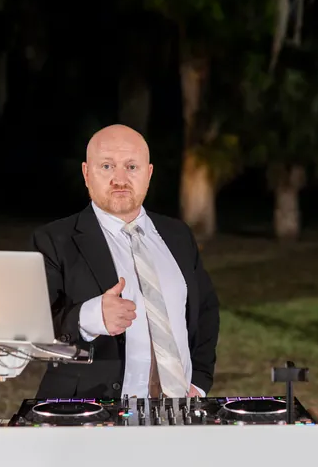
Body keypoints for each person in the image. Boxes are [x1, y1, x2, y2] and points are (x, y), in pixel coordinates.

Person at [29, 124, 220, 400]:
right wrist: (90, 317)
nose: (120, 179)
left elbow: (205, 310)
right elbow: (33, 327)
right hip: (88, 411)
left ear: (149, 173)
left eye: (132, 167)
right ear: (86, 173)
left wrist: (200, 381)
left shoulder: (177, 235)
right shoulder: (54, 240)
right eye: (107, 167)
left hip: (178, 408)